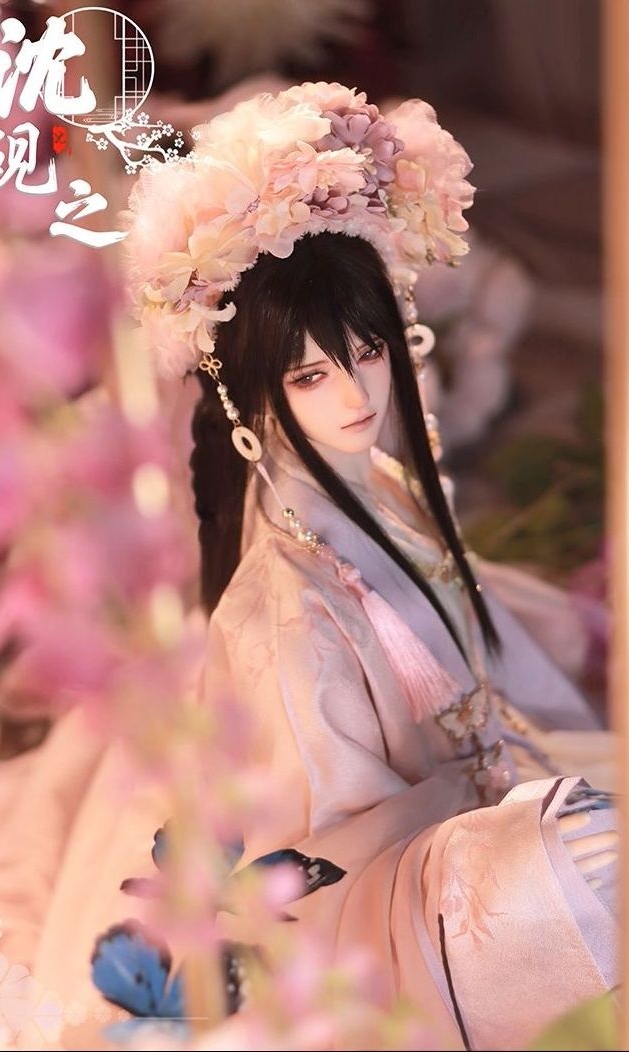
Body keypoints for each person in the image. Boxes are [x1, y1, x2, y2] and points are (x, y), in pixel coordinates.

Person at [122, 81, 617, 1051]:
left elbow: (500, 686)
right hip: (385, 902)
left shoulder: (384, 490)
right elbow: (321, 856)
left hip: (478, 823)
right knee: (596, 859)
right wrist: (496, 815)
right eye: (310, 374)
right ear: (257, 395)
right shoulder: (282, 614)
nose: (354, 394)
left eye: (366, 351)